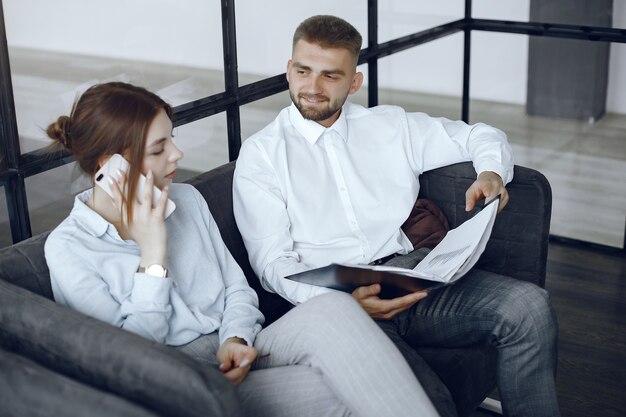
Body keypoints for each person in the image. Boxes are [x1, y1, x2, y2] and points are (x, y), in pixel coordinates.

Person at [44, 82, 441, 417]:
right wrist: (152, 255)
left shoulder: (186, 199)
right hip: (178, 382)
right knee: (343, 390)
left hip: (239, 346)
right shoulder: (68, 249)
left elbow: (237, 290)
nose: (177, 156)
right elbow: (131, 364)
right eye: (158, 148)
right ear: (110, 165)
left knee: (334, 308)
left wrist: (234, 338)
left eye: (173, 140)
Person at [233, 15, 560, 417]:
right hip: (338, 306)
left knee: (530, 308)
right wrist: (346, 303)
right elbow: (272, 265)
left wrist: (491, 172)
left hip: (416, 278)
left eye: (330, 76)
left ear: (355, 82)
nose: (312, 88)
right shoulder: (262, 155)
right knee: (427, 403)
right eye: (303, 71)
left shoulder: (391, 126)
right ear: (289, 70)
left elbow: (481, 135)